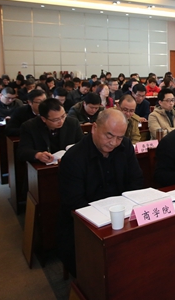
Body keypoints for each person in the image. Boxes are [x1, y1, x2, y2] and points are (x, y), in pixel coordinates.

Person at [58, 109, 143, 277]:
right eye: (109, 136)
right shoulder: (74, 158)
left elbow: (137, 181)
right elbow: (74, 203)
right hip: (83, 225)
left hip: (122, 217)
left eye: (119, 138)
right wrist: (108, 217)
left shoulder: (125, 147)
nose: (113, 143)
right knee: (100, 272)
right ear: (94, 128)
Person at [17, 98, 84, 164]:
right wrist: (38, 155)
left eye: (63, 116)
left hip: (69, 163)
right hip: (43, 166)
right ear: (43, 119)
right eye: (55, 120)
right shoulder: (29, 126)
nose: (61, 121)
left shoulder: (72, 123)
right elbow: (22, 151)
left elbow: (82, 144)